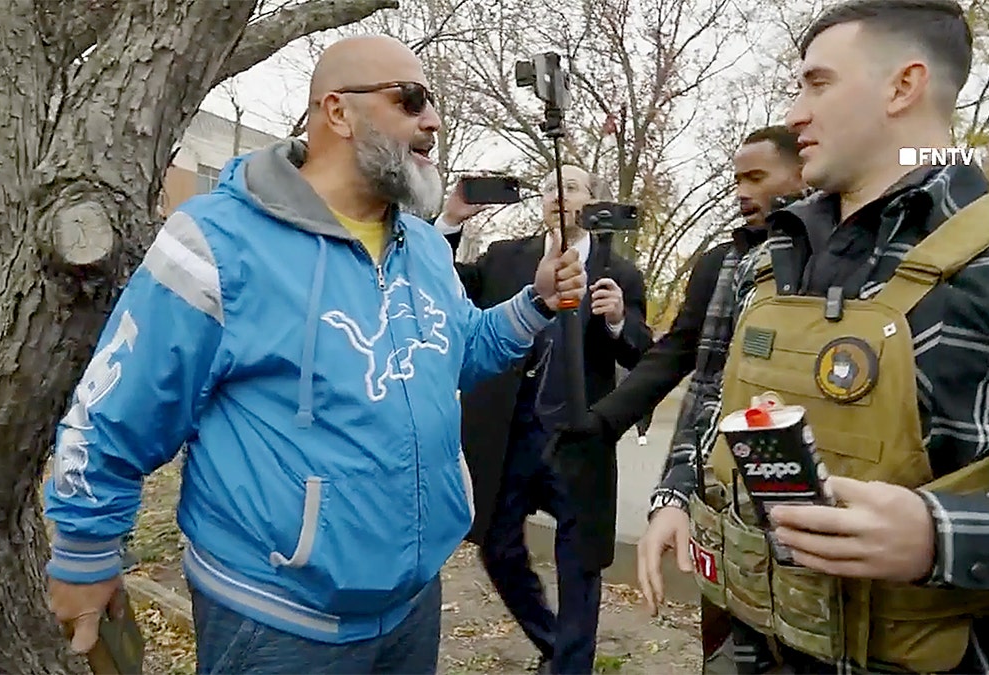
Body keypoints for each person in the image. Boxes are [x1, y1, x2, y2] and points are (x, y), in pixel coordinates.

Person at [44, 35, 588, 675]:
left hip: (411, 608)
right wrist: (84, 548)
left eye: (431, 104)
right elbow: (115, 408)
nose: (433, 121)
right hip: (276, 621)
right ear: (337, 113)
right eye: (410, 101)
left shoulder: (426, 247)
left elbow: (457, 353)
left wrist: (535, 303)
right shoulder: (217, 242)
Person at [636, 1, 989, 673]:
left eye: (818, 83)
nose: (794, 114)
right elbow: (716, 400)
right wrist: (676, 494)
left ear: (904, 85)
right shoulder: (768, 261)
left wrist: (940, 536)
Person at [547, 124, 806, 669]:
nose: (741, 191)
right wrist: (601, 423)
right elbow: (679, 354)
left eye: (757, 177)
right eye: (736, 178)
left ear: (802, 171)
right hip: (723, 497)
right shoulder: (720, 263)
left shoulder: (835, 262)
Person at [435, 165, 653, 674]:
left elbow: (644, 351)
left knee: (580, 563)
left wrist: (620, 319)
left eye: (573, 187)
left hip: (579, 437)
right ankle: (556, 644)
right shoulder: (504, 257)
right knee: (497, 546)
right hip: (510, 433)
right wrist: (449, 220)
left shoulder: (618, 273)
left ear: (591, 202)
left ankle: (570, 669)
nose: (559, 194)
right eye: (552, 187)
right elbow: (439, 287)